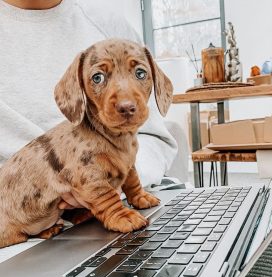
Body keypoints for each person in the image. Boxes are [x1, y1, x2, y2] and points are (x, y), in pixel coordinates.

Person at [0, 0, 178, 209]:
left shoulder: (109, 25)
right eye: (98, 78)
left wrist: (109, 183)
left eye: (139, 73)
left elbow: (155, 137)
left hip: (118, 204)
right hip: (22, 217)